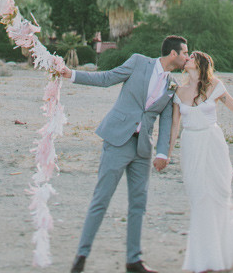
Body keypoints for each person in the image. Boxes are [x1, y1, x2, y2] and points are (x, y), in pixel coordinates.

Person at [60, 35, 189, 273]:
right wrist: (73, 75)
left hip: (143, 149)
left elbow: (167, 121)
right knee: (101, 199)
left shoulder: (172, 85)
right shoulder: (139, 62)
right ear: (173, 54)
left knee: (138, 204)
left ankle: (134, 260)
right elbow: (107, 78)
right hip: (117, 140)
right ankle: (81, 256)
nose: (187, 57)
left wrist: (163, 153)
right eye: (185, 53)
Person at [169, 51, 233, 273]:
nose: (187, 59)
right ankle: (203, 257)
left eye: (191, 56)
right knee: (198, 196)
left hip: (213, 144)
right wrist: (167, 154)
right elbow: (174, 127)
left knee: (218, 195)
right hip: (191, 145)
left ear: (200, 64)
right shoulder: (178, 92)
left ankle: (223, 254)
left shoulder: (215, 85)